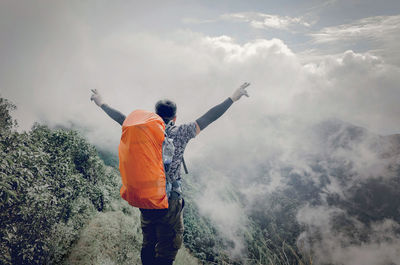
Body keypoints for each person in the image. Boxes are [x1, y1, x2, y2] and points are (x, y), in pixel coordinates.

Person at [90, 82, 250, 265]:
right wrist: (232, 98)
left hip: (147, 197)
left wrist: (101, 103)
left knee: (148, 243)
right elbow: (209, 118)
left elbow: (120, 118)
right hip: (169, 201)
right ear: (174, 118)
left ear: (154, 115)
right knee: (168, 248)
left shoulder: (141, 130)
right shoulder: (182, 132)